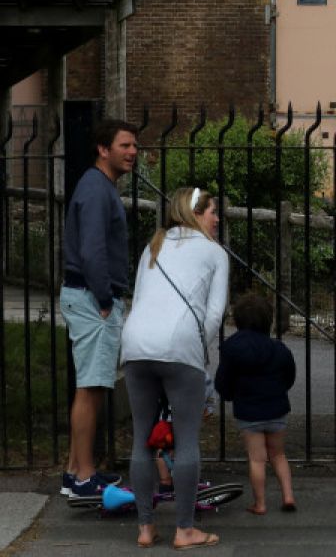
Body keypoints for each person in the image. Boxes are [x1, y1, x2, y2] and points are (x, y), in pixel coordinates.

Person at [121, 187, 228, 549]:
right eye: (213, 212)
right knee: (185, 440)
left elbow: (137, 297)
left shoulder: (152, 246)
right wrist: (196, 351)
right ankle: (185, 530)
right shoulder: (215, 252)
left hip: (135, 343)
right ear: (196, 213)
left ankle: (145, 528)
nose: (217, 220)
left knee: (140, 437)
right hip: (180, 345)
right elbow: (214, 314)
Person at [60, 118, 138, 498]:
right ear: (102, 150)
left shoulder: (99, 187)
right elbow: (92, 248)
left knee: (90, 386)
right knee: (90, 388)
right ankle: (84, 476)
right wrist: (105, 299)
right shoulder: (95, 188)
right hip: (93, 300)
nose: (132, 151)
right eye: (124, 145)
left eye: (134, 145)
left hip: (91, 297)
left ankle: (76, 470)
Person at [215, 293, 297, 515]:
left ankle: (260, 503)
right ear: (268, 320)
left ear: (238, 320)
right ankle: (288, 495)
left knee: (257, 459)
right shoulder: (279, 349)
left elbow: (223, 381)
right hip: (277, 408)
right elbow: (289, 376)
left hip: (249, 411)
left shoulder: (231, 348)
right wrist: (279, 391)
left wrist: (230, 395)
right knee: (278, 455)